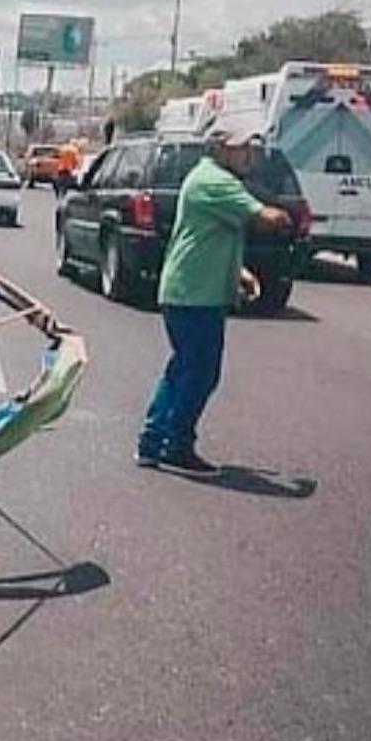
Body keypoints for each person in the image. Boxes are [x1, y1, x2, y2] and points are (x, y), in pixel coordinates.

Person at [137, 125, 293, 477]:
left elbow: (211, 235)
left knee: (184, 368)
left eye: (250, 148)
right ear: (220, 148)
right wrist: (285, 215)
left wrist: (239, 272)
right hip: (195, 294)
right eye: (241, 148)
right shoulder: (215, 181)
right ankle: (174, 444)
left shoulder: (209, 179)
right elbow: (263, 217)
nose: (249, 155)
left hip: (191, 289)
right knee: (200, 372)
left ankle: (154, 441)